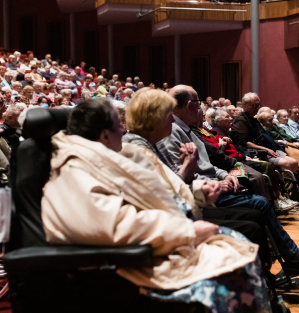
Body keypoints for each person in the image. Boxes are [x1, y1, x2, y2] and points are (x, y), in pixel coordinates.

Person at [41, 98, 271, 312]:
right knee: (234, 261)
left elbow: (152, 194)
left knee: (236, 246)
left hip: (147, 245)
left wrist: (199, 194)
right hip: (122, 264)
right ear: (104, 135)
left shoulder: (102, 156)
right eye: (118, 124)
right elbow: (110, 225)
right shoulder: (74, 169)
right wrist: (186, 232)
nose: (124, 128)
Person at [161, 85, 299, 276]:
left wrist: (223, 175)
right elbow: (182, 176)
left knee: (258, 195)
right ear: (188, 105)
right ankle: (287, 260)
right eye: (197, 102)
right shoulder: (173, 131)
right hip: (203, 194)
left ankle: (282, 261)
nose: (201, 107)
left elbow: (206, 163)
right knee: (259, 201)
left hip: (216, 182)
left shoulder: (188, 130)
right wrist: (218, 181)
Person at [231, 92, 298, 173]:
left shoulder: (253, 119)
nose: (257, 108)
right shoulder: (241, 121)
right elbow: (245, 143)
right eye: (254, 105)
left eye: (258, 105)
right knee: (287, 164)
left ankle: (290, 183)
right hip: (260, 153)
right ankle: (284, 184)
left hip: (270, 150)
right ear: (245, 105)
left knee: (294, 162)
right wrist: (266, 149)